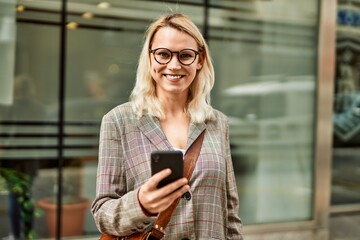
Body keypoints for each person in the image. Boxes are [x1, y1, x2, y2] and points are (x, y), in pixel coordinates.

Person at [91, 12, 244, 239]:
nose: (174, 65)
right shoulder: (118, 121)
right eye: (163, 54)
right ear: (150, 58)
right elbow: (102, 213)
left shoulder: (217, 123)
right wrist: (141, 203)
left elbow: (230, 213)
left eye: (185, 55)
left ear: (199, 60)